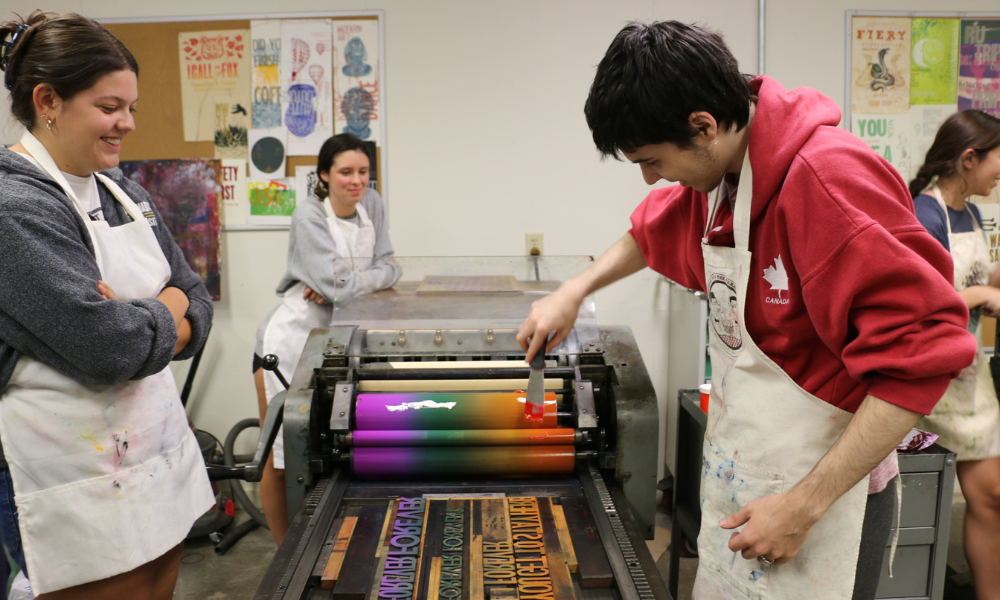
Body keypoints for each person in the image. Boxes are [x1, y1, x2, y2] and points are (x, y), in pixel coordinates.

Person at [517, 21, 976, 600]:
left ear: (703, 127)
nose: (650, 178)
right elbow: (654, 227)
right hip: (753, 479)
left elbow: (923, 360)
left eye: (653, 160)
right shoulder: (725, 178)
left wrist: (803, 507)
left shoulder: (827, 183)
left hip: (824, 499)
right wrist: (574, 290)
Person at [0, 11, 214, 600]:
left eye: (132, 107)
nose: (128, 123)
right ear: (48, 99)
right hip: (72, 471)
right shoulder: (15, 204)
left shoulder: (124, 191)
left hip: (154, 452)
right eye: (110, 106)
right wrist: (168, 307)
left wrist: (157, 309)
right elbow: (107, 346)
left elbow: (199, 298)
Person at [253, 133, 400, 544]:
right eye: (345, 172)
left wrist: (349, 281)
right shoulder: (309, 215)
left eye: (364, 172)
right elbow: (341, 287)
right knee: (281, 458)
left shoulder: (372, 205)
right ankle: (282, 556)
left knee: (332, 448)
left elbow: (390, 266)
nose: (356, 181)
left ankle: (325, 543)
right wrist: (350, 282)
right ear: (324, 175)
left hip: (341, 341)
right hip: (289, 343)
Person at [909, 109, 1000, 600]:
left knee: (990, 497)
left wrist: (992, 284)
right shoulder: (925, 216)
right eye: (997, 159)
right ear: (969, 158)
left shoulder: (969, 210)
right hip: (936, 378)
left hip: (969, 371)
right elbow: (926, 304)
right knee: (985, 494)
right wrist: (984, 299)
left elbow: (973, 278)